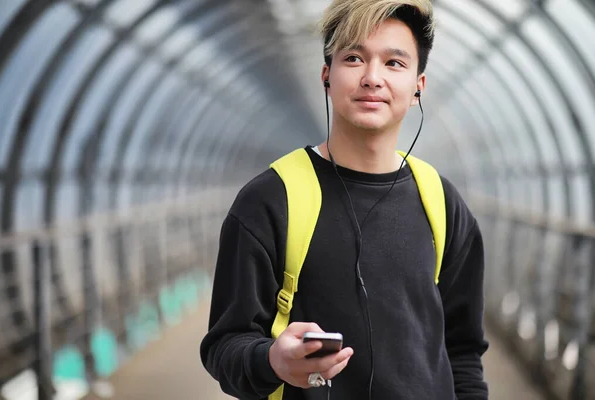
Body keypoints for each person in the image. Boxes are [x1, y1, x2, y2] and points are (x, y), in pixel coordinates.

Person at [200, 0, 489, 399]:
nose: (372, 78)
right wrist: (272, 361)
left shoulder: (441, 202)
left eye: (394, 63)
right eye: (353, 58)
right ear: (326, 76)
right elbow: (224, 346)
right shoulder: (270, 200)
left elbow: (463, 351)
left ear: (419, 85)